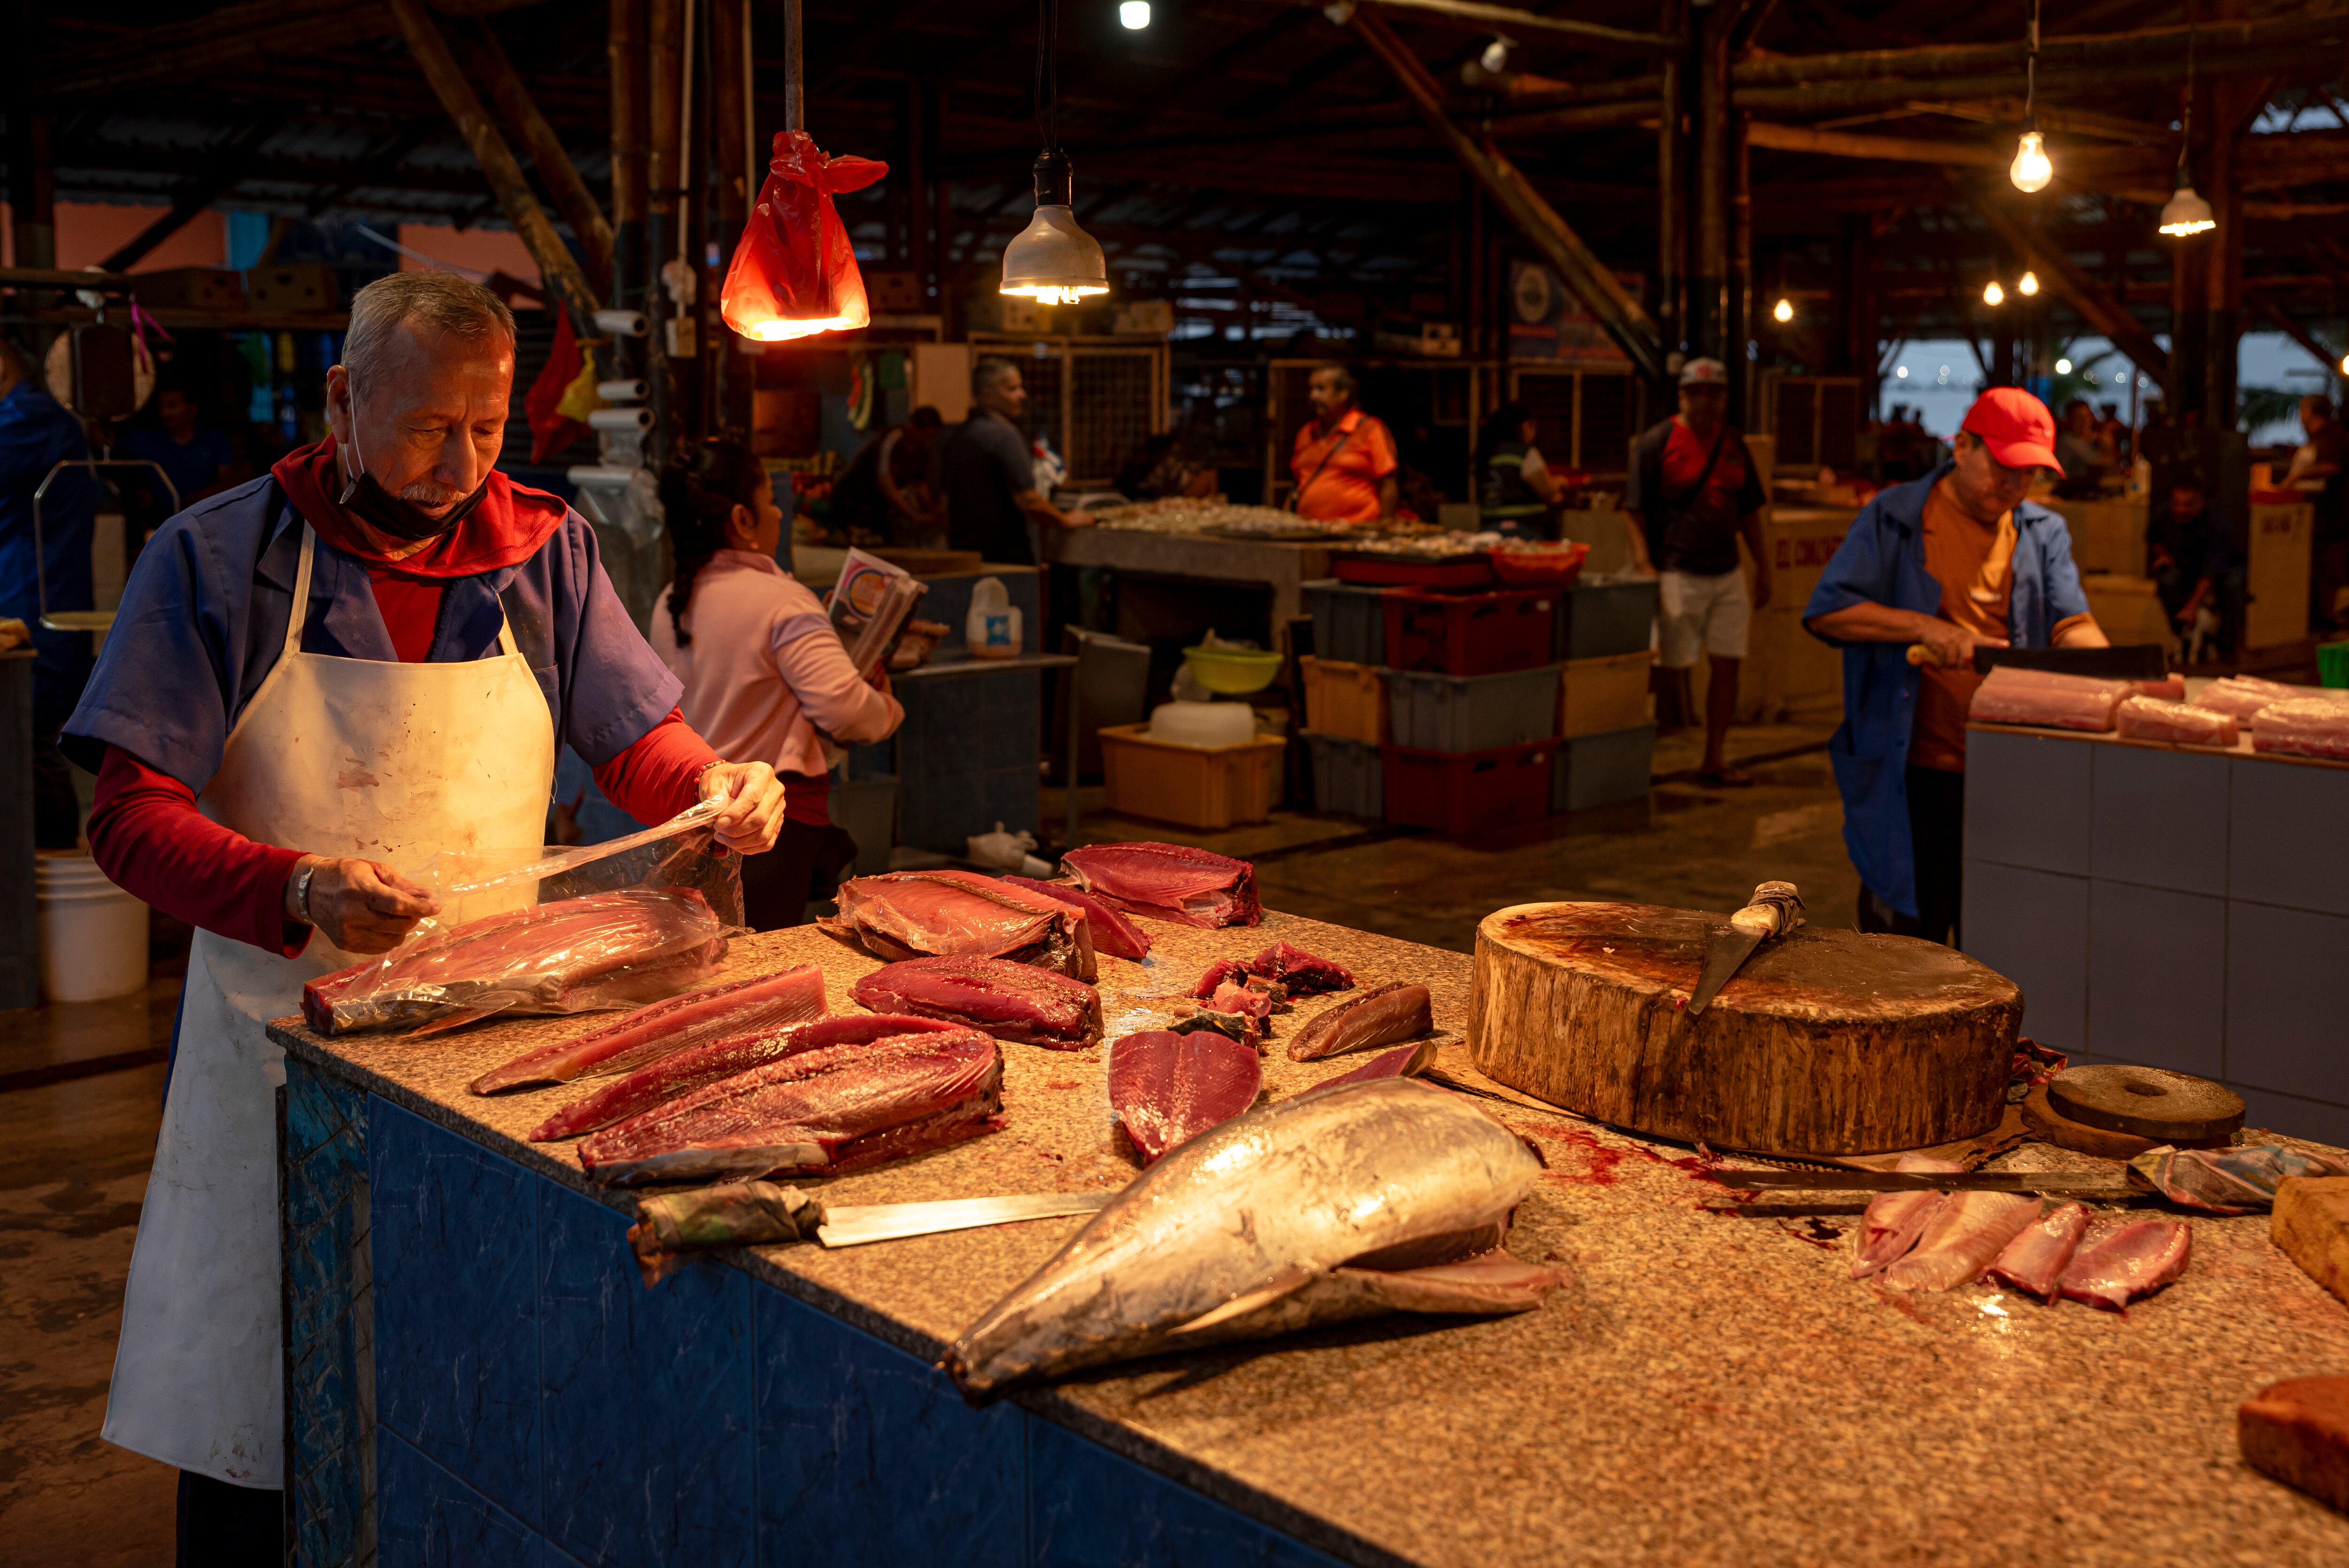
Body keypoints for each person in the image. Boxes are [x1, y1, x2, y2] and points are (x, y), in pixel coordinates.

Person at [60, 272, 787, 1562]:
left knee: (463, 1388)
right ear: (342, 399)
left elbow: (640, 742)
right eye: (424, 426)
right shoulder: (220, 557)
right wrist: (296, 884)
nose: (461, 462)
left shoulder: (543, 547)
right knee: (262, 1399)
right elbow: (125, 818)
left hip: (482, 1043)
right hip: (277, 1046)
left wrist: (717, 784)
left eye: (489, 428)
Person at [1804, 387, 2109, 947]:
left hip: (2006, 770)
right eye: (2002, 467)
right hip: (1912, 772)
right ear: (1962, 445)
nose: (2013, 486)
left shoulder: (2042, 532)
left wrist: (2111, 670)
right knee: (1902, 944)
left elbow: (2070, 622)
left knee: (1995, 936)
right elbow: (1830, 611)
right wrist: (1925, 628)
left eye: (2028, 475)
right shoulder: (1893, 517)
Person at [652, 440, 904, 929]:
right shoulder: (784, 601)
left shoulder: (669, 599)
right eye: (770, 502)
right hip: (765, 826)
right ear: (743, 519)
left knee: (707, 962)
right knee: (758, 963)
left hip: (688, 821)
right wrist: (889, 705)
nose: (779, 516)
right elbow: (844, 710)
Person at [1622, 357, 1772, 786]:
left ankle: (1714, 757)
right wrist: (1643, 563)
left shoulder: (1734, 445)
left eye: (1715, 394)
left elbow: (1749, 513)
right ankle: (1649, 755)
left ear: (1725, 399)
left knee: (1728, 664)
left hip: (1726, 573)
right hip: (1676, 570)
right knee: (1670, 666)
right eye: (1698, 393)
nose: (1706, 402)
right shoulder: (1656, 443)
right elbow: (1633, 509)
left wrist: (1762, 567)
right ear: (1682, 396)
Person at [0, 332, 98, 849]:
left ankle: (52, 873)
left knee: (33, 741)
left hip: (40, 608)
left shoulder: (30, 418)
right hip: (26, 598)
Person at [938, 358, 1094, 563]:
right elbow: (1029, 501)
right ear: (988, 396)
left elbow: (941, 501)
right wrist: (1065, 520)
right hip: (1004, 558)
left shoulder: (956, 436)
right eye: (1013, 389)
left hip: (964, 554)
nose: (1023, 395)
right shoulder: (1003, 435)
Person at [2147, 469, 2244, 654]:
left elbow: (2212, 569)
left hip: (2221, 570)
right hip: (2184, 565)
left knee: (2234, 583)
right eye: (2177, 504)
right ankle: (2181, 634)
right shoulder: (2163, 513)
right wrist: (2163, 555)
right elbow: (2154, 539)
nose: (2180, 510)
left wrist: (2193, 607)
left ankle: (2227, 645)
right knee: (2167, 579)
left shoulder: (2218, 523)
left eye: (2188, 505)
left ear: (2201, 503)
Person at [1290, 364, 1399, 524]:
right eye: (1311, 389)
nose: (1313, 396)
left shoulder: (1369, 428)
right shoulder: (1306, 433)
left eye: (1321, 389)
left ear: (1343, 394)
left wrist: (1385, 525)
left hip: (1357, 530)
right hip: (1309, 529)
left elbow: (1389, 483)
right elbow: (1297, 483)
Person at [116, 381, 235, 525]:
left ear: (192, 409)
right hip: (159, 521)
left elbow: (228, 481)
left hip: (204, 517)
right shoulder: (146, 440)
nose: (165, 413)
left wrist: (195, 500)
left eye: (172, 406)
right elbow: (109, 443)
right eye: (162, 407)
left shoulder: (214, 440)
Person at [830, 406, 944, 545]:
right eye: (925, 436)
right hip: (853, 502)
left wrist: (933, 511)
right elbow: (885, 483)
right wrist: (913, 514)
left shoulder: (923, 450)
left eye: (932, 437)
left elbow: (919, 485)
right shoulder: (892, 439)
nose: (927, 441)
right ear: (913, 427)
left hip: (877, 506)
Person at [2291, 394, 2349, 632]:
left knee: (2329, 566)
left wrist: (2297, 476)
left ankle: (2326, 619)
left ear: (2309, 412)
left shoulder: (2330, 435)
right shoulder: (2326, 435)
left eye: (2302, 411)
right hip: (2330, 513)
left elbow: (2332, 467)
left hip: (2336, 513)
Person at [1475, 400, 1564, 539]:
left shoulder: (1488, 451)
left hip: (1489, 531)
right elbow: (1549, 492)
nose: (1534, 431)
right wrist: (1560, 482)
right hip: (1523, 529)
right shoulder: (1524, 452)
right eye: (1531, 425)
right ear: (1521, 426)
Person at [2053, 399, 2105, 497]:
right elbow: (2057, 474)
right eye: (2079, 417)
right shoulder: (2066, 442)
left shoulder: (2093, 441)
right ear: (2070, 419)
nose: (2085, 422)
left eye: (2088, 417)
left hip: (2092, 494)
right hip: (2073, 496)